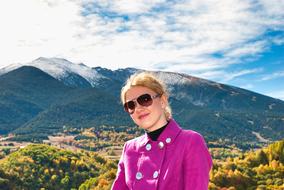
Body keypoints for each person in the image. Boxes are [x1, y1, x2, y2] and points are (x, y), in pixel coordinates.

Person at [111, 71, 212, 190]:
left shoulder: (190, 141)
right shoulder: (129, 148)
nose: (138, 108)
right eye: (130, 105)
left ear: (163, 100)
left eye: (145, 99)